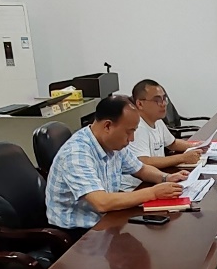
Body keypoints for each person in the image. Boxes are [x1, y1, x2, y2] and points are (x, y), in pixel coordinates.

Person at [46, 94, 185, 237]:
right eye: (129, 131)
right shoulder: (77, 153)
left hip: (106, 219)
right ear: (107, 126)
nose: (132, 139)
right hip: (78, 233)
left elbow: (141, 169)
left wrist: (166, 177)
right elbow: (101, 202)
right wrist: (153, 193)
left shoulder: (113, 143)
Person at [122, 79, 204, 183]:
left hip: (157, 177)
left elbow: (172, 143)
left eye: (164, 99)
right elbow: (144, 162)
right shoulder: (137, 127)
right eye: (157, 100)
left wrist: (196, 146)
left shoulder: (157, 120)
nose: (163, 104)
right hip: (139, 185)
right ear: (140, 104)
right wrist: (183, 158)